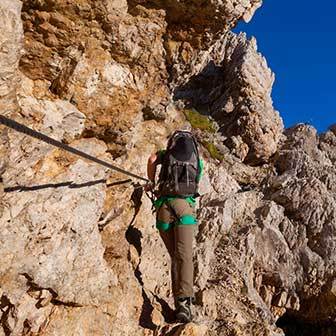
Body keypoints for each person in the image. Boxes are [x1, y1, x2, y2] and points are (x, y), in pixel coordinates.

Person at [145, 130, 203, 323]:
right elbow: (196, 181)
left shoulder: (166, 154)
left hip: (163, 209)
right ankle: (184, 304)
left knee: (175, 257)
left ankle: (179, 302)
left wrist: (151, 182)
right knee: (184, 256)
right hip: (184, 209)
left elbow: (152, 159)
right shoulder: (196, 159)